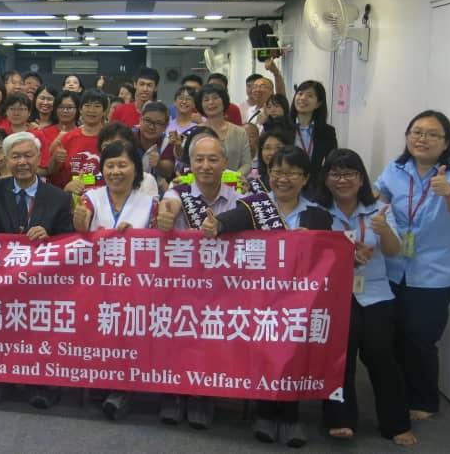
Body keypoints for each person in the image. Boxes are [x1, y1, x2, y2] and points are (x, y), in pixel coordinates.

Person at [206, 146, 332, 448]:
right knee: (264, 351)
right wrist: (216, 225)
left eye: (291, 173)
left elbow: (329, 256)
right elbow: (228, 222)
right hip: (260, 298)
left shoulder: (318, 215)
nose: (282, 178)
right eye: (276, 172)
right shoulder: (255, 206)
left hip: (300, 301)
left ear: (305, 178)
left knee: (294, 353)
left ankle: (289, 416)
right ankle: (264, 413)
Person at [374, 110, 450, 421]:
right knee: (394, 332)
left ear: (446, 142)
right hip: (395, 264)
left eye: (433, 134)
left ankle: (424, 400)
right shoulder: (397, 168)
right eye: (417, 132)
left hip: (437, 270)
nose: (423, 139)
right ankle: (398, 392)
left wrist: (448, 192)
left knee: (420, 335)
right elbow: (378, 195)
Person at [0, 131, 73, 408]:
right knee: (2, 326)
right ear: (6, 159)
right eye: (15, 156)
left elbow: (70, 239)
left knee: (40, 330)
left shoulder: (59, 197)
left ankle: (41, 384)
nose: (22, 162)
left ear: (39, 158)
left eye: (28, 156)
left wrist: (50, 237)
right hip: (6, 277)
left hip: (44, 282)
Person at [318, 149, 417, 446]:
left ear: (361, 178)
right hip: (332, 293)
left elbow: (394, 251)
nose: (342, 180)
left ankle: (395, 423)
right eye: (335, 173)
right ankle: (340, 419)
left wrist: (383, 231)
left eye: (349, 173)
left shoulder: (380, 209)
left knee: (380, 353)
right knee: (340, 353)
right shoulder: (318, 212)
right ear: (326, 179)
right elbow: (310, 255)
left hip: (374, 290)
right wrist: (345, 257)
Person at [154, 135, 246, 428]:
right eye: (199, 159)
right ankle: (173, 393)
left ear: (225, 163)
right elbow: (167, 207)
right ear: (190, 163)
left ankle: (201, 395)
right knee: (174, 329)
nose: (205, 165)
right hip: (180, 285)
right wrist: (166, 217)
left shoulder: (240, 197)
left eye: (213, 159)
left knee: (212, 333)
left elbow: (247, 223)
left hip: (223, 288)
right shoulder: (178, 192)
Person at [74, 141, 157, 419]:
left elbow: (159, 244)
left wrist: (139, 236)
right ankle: (100, 379)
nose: (116, 171)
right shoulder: (91, 198)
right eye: (110, 165)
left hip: (136, 287)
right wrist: (80, 223)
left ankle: (123, 389)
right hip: (95, 284)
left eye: (123, 165)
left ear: (136, 169)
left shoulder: (149, 203)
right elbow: (80, 230)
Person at [45, 89, 108, 193]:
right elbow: (52, 172)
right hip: (71, 196)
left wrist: (85, 180)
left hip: (103, 196)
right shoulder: (67, 138)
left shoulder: (110, 138)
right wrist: (55, 160)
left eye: (97, 106)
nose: (91, 110)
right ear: (80, 109)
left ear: (104, 111)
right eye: (87, 105)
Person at [196, 84, 251, 173]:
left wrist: (233, 177)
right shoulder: (196, 132)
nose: (211, 102)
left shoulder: (240, 132)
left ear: (224, 101)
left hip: (233, 180)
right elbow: (188, 160)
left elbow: (246, 164)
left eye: (215, 98)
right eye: (206, 100)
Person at [290, 80, 337, 180]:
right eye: (300, 94)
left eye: (309, 95)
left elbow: (332, 161)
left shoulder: (327, 131)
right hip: (286, 181)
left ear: (318, 104)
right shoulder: (284, 127)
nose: (303, 98)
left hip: (314, 183)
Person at [133, 101, 174, 184]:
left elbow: (168, 171)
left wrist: (159, 164)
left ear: (166, 126)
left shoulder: (167, 142)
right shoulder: (129, 137)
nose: (152, 127)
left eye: (158, 123)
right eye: (148, 120)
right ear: (140, 119)